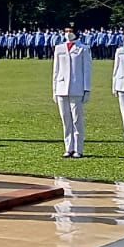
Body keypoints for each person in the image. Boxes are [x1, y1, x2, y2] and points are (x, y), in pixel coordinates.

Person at [51, 25, 92, 158]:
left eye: (71, 31)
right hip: (62, 88)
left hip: (77, 87)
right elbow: (56, 71)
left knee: (77, 120)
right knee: (66, 120)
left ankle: (78, 149)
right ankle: (68, 147)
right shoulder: (59, 48)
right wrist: (54, 89)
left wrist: (87, 89)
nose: (68, 34)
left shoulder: (83, 49)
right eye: (66, 31)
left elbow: (87, 71)